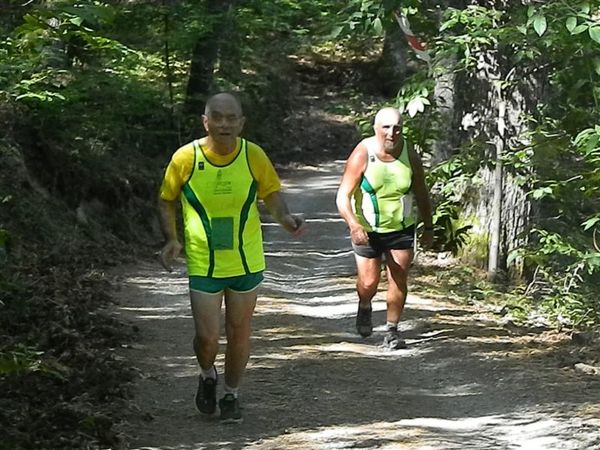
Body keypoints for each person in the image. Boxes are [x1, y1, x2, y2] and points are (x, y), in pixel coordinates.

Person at [158, 92, 304, 423]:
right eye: (218, 117)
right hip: (203, 262)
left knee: (239, 331)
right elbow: (166, 199)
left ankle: (231, 394)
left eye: (231, 118)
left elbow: (272, 195)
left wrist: (287, 220)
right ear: (205, 121)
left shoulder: (253, 155)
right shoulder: (185, 158)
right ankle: (207, 373)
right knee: (207, 338)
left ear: (241, 123)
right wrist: (172, 239)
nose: (224, 124)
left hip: (246, 260)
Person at [336, 107, 433, 350]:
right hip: (367, 229)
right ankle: (365, 305)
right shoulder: (363, 153)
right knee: (368, 283)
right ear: (376, 129)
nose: (392, 133)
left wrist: (429, 226)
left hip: (401, 227)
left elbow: (421, 192)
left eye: (397, 127)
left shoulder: (409, 154)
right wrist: (353, 224)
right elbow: (342, 196)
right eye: (386, 127)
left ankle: (392, 330)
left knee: (398, 277)